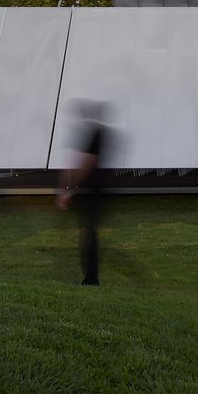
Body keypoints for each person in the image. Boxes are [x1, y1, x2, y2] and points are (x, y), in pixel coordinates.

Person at [57, 103, 110, 286]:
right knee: (89, 232)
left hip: (91, 192)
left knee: (89, 234)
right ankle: (90, 278)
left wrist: (70, 190)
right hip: (95, 191)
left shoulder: (93, 133)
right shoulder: (99, 132)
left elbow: (87, 162)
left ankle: (91, 279)